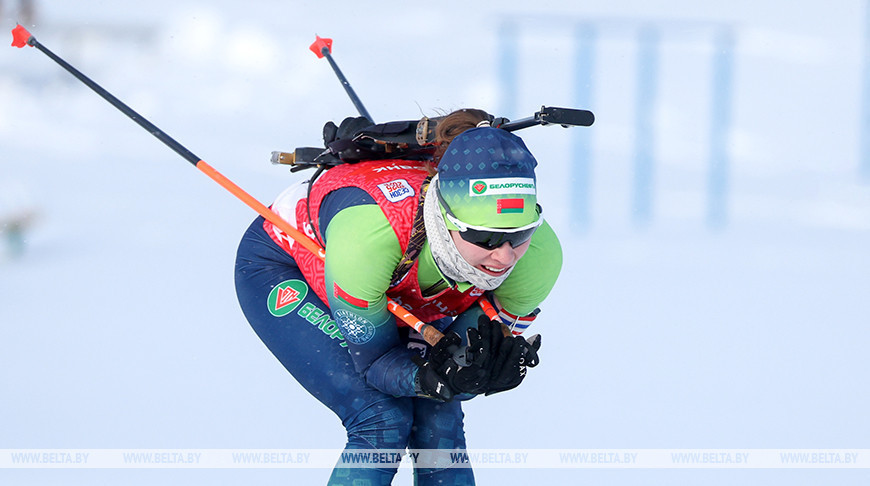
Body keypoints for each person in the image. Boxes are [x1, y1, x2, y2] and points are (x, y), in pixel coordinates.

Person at [234, 108, 562, 485]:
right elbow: (376, 364)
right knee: (382, 420)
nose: (504, 257)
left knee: (439, 426)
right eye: (484, 237)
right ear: (446, 218)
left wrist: (473, 373)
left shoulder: (538, 257)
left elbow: (458, 367)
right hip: (289, 263)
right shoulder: (368, 239)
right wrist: (429, 377)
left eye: (519, 235)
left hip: (404, 285)